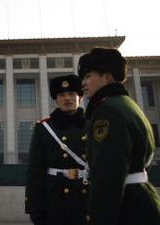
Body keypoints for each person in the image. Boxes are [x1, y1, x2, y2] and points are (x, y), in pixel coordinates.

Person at [78, 47, 160, 225]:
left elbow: (109, 173)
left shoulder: (108, 111)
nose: (83, 83)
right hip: (142, 199)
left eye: (88, 76)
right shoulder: (129, 105)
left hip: (125, 207)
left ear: (107, 77)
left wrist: (97, 218)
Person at [25, 74, 88, 225]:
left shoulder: (93, 124)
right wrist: (35, 207)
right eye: (62, 95)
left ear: (80, 97)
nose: (67, 98)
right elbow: (35, 171)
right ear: (56, 99)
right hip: (56, 200)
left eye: (72, 94)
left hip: (87, 197)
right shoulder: (44, 128)